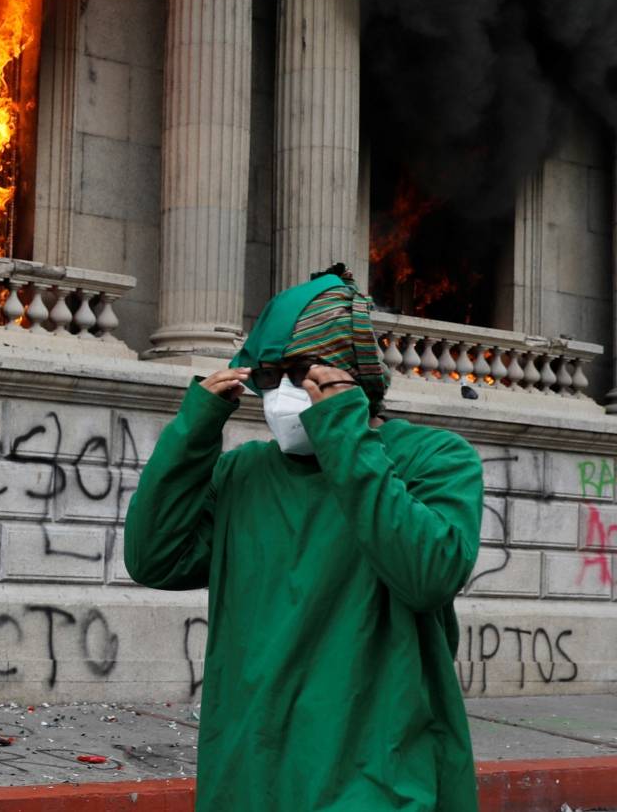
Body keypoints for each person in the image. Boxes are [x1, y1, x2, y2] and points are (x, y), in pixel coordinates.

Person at [125, 264, 484, 811]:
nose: (280, 394)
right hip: (250, 772)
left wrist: (344, 431)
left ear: (353, 376)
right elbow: (154, 559)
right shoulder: (244, 474)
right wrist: (193, 431)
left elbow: (428, 576)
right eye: (266, 378)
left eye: (299, 374)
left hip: (378, 774)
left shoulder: (434, 459)